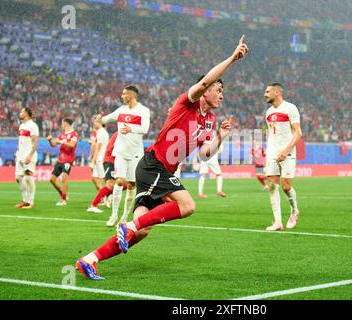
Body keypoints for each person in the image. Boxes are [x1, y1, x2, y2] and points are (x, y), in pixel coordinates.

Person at [75, 35, 249, 280]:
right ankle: (128, 225)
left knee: (143, 230)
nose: (222, 95)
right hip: (155, 165)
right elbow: (207, 79)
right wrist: (232, 58)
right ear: (205, 91)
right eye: (218, 90)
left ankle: (90, 259)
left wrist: (219, 138)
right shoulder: (187, 103)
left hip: (156, 170)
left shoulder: (209, 120)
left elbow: (203, 154)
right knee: (188, 205)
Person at [95, 85, 150, 227]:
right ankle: (113, 215)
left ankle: (124, 217)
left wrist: (131, 128)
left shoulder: (143, 111)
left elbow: (145, 128)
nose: (122, 96)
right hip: (120, 152)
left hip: (136, 153)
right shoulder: (121, 110)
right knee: (119, 181)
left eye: (124, 94)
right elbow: (106, 120)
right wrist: (100, 119)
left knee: (132, 185)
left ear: (131, 96)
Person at [264, 83, 302, 231]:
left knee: (286, 187)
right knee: (272, 186)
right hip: (272, 152)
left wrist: (286, 150)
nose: (265, 94)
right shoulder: (268, 112)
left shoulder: (290, 108)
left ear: (277, 93)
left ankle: (294, 210)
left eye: (268, 92)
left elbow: (298, 132)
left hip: (288, 152)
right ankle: (278, 222)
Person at [47, 118, 79, 206]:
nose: (61, 125)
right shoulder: (62, 134)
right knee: (52, 179)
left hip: (68, 160)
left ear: (65, 123)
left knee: (65, 178)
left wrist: (61, 141)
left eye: (62, 123)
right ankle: (62, 194)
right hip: (60, 160)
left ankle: (63, 200)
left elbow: (72, 145)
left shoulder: (74, 134)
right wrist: (50, 140)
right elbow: (54, 145)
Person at [87, 131, 119, 213]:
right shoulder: (121, 133)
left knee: (126, 184)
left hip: (117, 160)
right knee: (110, 184)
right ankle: (93, 205)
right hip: (110, 160)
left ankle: (107, 195)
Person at [14, 107, 39, 209]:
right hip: (20, 155)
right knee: (19, 177)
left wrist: (30, 155)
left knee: (29, 177)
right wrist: (17, 153)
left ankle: (31, 202)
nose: (20, 113)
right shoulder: (21, 126)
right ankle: (25, 200)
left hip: (29, 155)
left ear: (26, 114)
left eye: (22, 112)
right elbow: (20, 141)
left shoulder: (33, 126)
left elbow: (35, 142)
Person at [89, 116, 109, 191]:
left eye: (96, 121)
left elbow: (98, 148)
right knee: (94, 178)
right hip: (99, 158)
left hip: (101, 159)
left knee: (106, 179)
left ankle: (110, 197)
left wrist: (92, 161)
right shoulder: (100, 132)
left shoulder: (101, 133)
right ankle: (103, 196)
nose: (94, 123)